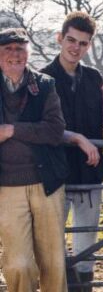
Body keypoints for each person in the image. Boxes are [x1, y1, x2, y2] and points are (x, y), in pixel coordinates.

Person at [41, 11, 103, 290]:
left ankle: (84, 285)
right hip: (54, 175)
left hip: (89, 172)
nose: (75, 47)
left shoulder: (96, 79)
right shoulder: (41, 79)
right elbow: (41, 127)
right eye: (71, 40)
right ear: (59, 38)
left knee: (87, 247)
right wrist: (76, 138)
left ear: (89, 46)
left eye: (83, 43)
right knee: (52, 243)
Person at [0, 28, 68, 291]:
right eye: (8, 49)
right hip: (6, 185)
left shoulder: (45, 84)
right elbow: (43, 130)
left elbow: (54, 130)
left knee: (53, 261)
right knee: (18, 263)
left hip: (46, 181)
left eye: (20, 49)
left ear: (28, 53)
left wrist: (11, 130)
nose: (15, 54)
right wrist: (33, 130)